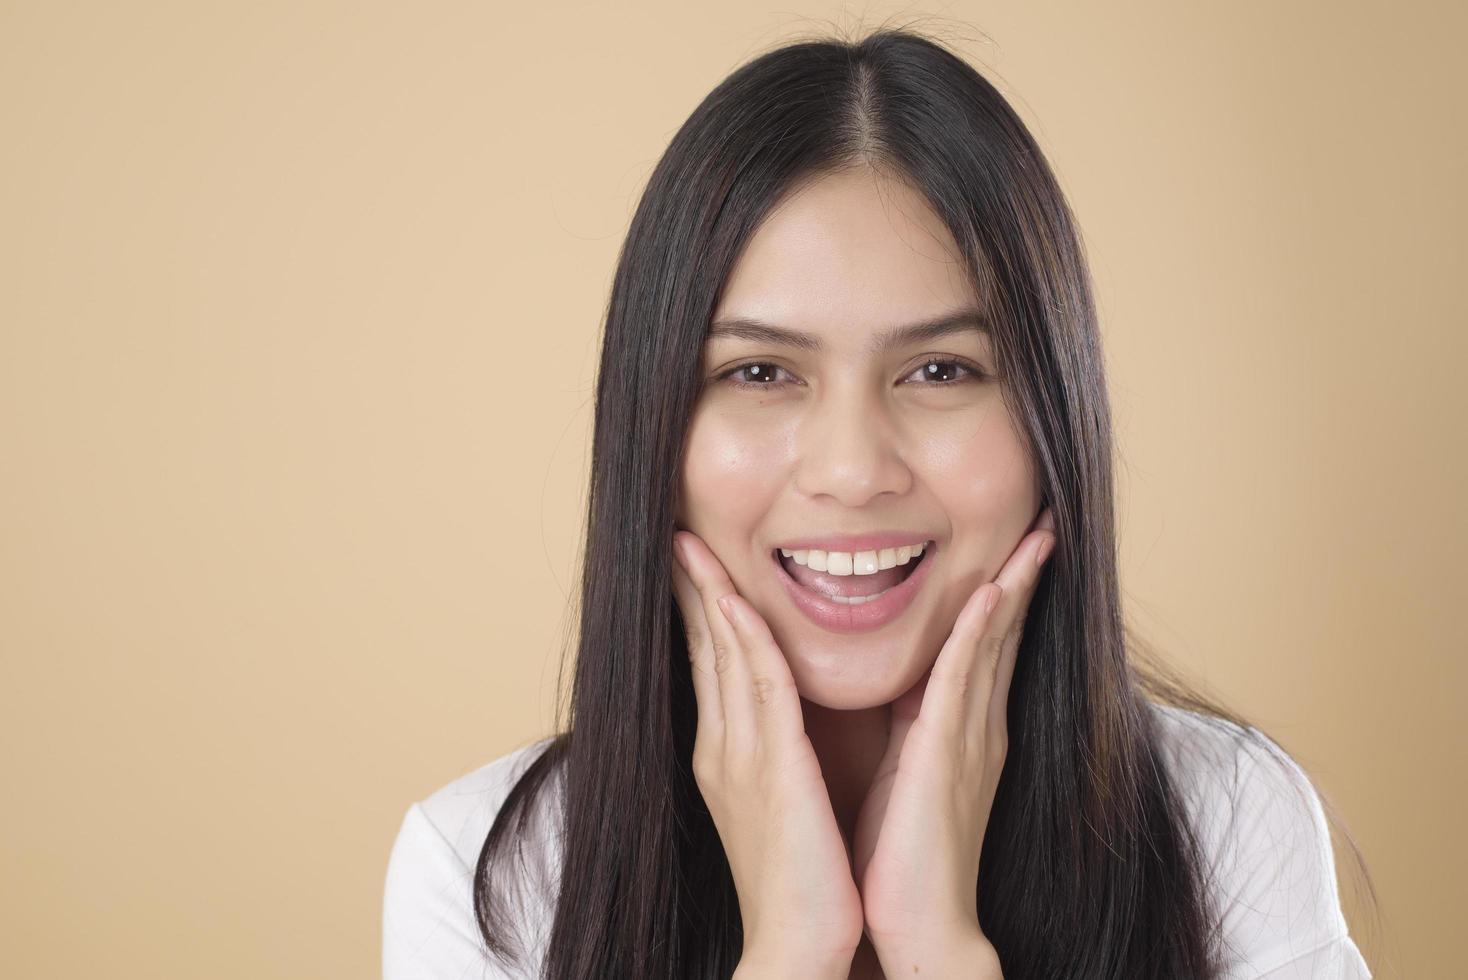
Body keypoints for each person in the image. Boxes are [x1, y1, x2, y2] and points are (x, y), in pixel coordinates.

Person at [383, 26, 1376, 980]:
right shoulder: (486, 876)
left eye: (941, 368)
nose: (853, 471)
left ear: (1053, 423)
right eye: (761, 371)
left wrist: (936, 949)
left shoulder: (1228, 818)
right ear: (654, 429)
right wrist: (791, 953)